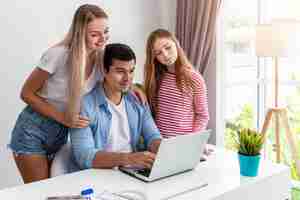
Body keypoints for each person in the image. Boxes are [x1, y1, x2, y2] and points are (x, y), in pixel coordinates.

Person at [8, 4, 144, 183]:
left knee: (55, 191)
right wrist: (63, 118)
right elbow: (26, 93)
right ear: (80, 33)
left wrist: (133, 86)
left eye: (105, 32)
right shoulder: (58, 55)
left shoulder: (99, 59)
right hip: (33, 131)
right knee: (40, 192)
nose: (102, 39)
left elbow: (117, 75)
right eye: (94, 34)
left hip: (61, 134)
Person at [69, 43, 161, 171]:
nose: (127, 78)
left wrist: (163, 150)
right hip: (100, 175)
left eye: (131, 71)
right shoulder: (85, 105)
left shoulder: (137, 100)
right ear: (104, 71)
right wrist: (129, 158)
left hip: (132, 172)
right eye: (120, 71)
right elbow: (84, 156)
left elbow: (153, 136)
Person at [144, 29, 209, 138]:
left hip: (184, 143)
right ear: (154, 57)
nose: (165, 55)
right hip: (159, 143)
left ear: (176, 44)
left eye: (168, 47)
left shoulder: (194, 78)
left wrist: (192, 141)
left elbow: (202, 116)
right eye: (158, 53)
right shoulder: (155, 78)